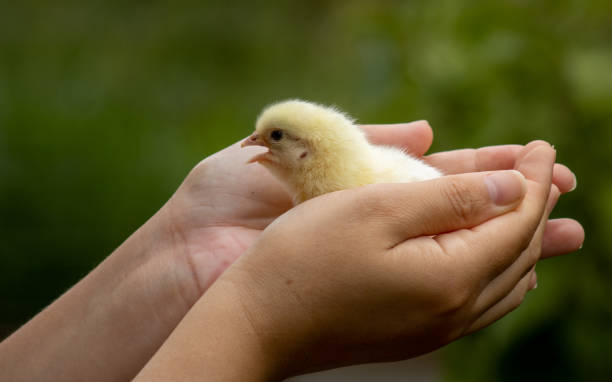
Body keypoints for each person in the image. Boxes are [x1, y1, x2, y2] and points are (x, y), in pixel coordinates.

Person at [0, 121, 583, 381]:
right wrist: (258, 320)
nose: (252, 145)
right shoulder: (320, 175)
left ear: (306, 152)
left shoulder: (338, 174)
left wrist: (182, 254)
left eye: (270, 137)